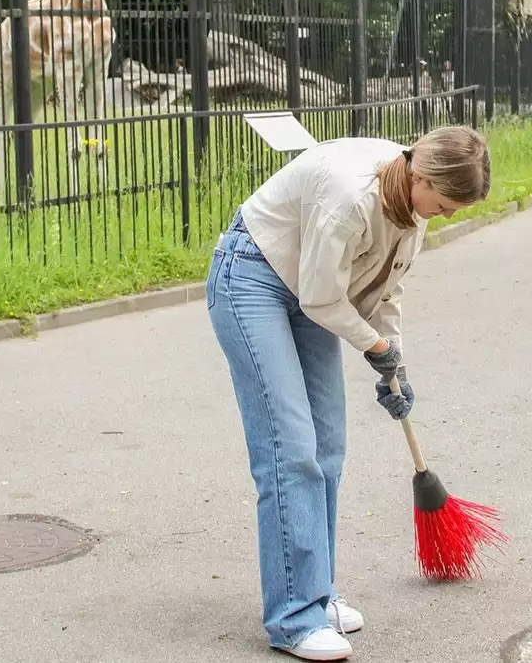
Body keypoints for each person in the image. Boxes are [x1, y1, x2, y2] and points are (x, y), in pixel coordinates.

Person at [205, 126, 491, 661]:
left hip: (313, 289)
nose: (448, 214)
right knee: (290, 451)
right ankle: (294, 617)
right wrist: (374, 346)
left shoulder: (412, 206)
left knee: (328, 449)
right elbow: (321, 298)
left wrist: (394, 362)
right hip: (253, 279)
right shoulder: (350, 199)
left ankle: (318, 593)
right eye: (447, 204)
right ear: (422, 176)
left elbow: (387, 289)